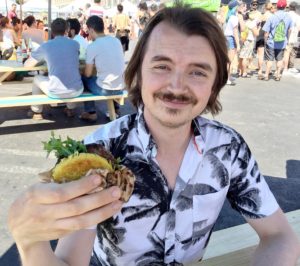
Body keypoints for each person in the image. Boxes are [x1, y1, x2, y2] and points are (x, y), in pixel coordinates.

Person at [8, 5, 300, 266]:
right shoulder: (97, 153)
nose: (176, 85)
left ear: (214, 85)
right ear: (138, 74)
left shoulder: (229, 149)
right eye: (162, 66)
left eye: (198, 72)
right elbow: (69, 261)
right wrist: (30, 242)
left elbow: (279, 236)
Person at [24, 18, 83, 120]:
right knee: (70, 77)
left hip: (56, 91)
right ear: (66, 30)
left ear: (52, 31)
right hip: (77, 90)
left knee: (37, 78)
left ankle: (37, 110)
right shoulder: (75, 44)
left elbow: (27, 66)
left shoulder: (46, 46)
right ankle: (70, 108)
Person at [79, 15, 125, 122]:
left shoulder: (92, 46)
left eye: (88, 31)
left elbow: (88, 73)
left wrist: (83, 70)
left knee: (84, 78)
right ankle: (115, 109)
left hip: (105, 90)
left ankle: (91, 112)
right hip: (120, 87)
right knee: (104, 78)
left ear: (91, 29)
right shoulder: (116, 41)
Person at [262, 0, 293, 81]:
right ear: (285, 7)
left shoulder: (272, 16)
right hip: (282, 42)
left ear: (277, 6)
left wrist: (265, 41)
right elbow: (290, 30)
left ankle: (266, 75)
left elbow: (266, 32)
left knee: (269, 59)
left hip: (271, 42)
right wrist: (287, 39)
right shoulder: (288, 17)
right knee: (279, 59)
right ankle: (278, 75)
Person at [282, 1, 300, 74]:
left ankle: (285, 67)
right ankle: (286, 68)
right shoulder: (297, 16)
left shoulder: (285, 14)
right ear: (295, 8)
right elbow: (299, 28)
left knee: (285, 52)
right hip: (292, 37)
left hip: (282, 36)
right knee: (289, 52)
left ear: (289, 7)